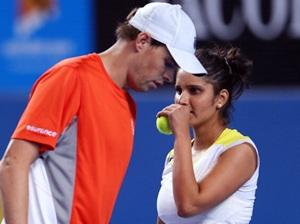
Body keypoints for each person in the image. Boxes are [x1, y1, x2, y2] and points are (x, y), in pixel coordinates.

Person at [0, 2, 207, 224]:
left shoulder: (128, 105)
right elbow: (13, 163)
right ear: (142, 41)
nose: (168, 76)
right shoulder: (71, 77)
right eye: (167, 63)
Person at [156, 45, 259, 224]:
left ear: (221, 99)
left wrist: (181, 134)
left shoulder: (240, 151)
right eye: (179, 90)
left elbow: (188, 206)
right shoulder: (175, 156)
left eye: (194, 90)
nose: (182, 100)